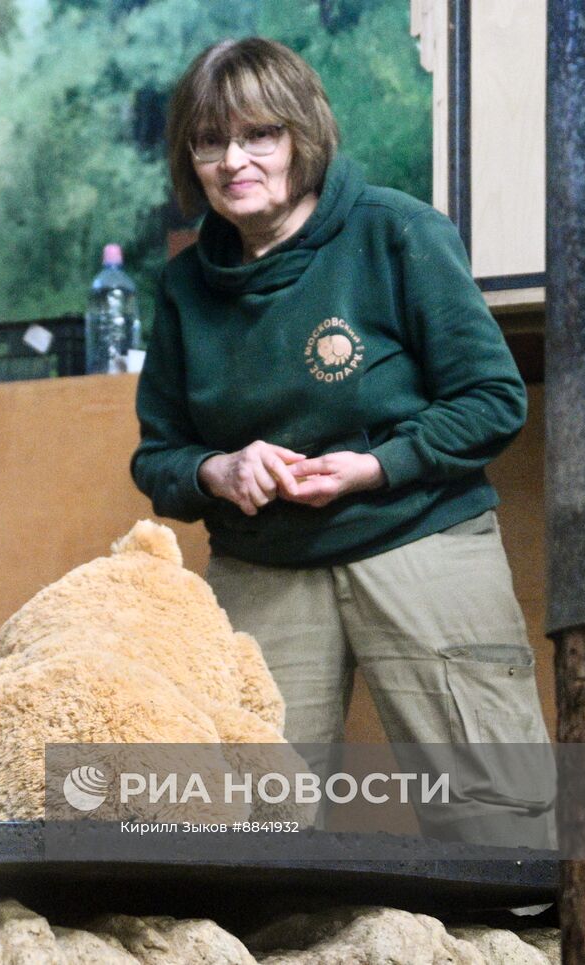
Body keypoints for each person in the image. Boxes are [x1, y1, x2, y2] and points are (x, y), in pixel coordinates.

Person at [131, 37, 553, 846]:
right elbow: (159, 458)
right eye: (210, 141)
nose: (233, 161)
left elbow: (494, 399)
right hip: (263, 563)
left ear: (303, 136)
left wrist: (375, 465)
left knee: (500, 820)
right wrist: (219, 469)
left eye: (260, 135)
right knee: (243, 835)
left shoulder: (397, 231)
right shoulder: (185, 286)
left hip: (418, 534)